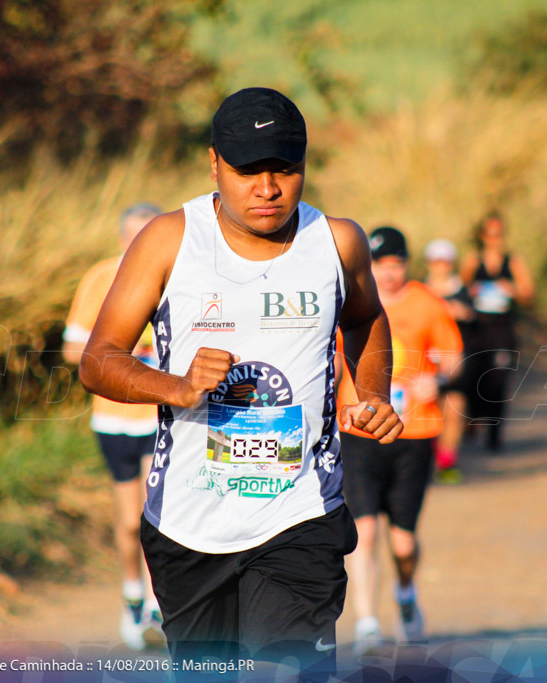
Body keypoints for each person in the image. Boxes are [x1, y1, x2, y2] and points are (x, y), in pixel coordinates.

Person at [78, 87, 402, 680]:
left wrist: (373, 391)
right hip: (187, 522)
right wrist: (175, 387)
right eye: (248, 171)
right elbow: (98, 361)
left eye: (285, 169)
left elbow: (365, 317)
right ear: (214, 164)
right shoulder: (170, 240)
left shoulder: (336, 242)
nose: (268, 188)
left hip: (300, 513)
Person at [337, 227, 462, 655]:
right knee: (364, 530)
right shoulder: (349, 301)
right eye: (379, 265)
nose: (387, 274)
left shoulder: (427, 303)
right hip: (358, 431)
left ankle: (406, 595)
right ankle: (368, 622)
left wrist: (438, 380)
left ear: (406, 265)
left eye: (395, 264)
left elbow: (453, 356)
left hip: (415, 433)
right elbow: (332, 361)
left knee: (403, 542)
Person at [63, 202, 164, 650]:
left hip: (164, 417)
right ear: (122, 239)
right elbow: (71, 350)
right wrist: (122, 357)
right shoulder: (100, 278)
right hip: (114, 418)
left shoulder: (180, 274)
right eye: (134, 237)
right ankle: (132, 597)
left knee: (156, 515)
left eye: (151, 237)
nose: (141, 245)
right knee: (128, 520)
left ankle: (161, 607)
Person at [459, 212, 534, 453]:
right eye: (490, 234)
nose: (494, 239)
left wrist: (512, 290)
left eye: (498, 234)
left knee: (498, 380)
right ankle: (472, 421)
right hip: (476, 331)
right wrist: (472, 290)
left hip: (502, 331)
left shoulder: (513, 261)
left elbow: (528, 293)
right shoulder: (473, 260)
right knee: (472, 377)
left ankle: (494, 434)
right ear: (482, 236)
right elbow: (460, 289)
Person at [424, 238, 475, 479]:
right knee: (427, 407)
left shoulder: (464, 290)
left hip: (454, 359)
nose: (440, 266)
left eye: (445, 261)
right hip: (424, 361)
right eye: (436, 261)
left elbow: (476, 317)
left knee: (455, 407)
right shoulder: (419, 290)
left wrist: (462, 312)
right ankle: (429, 456)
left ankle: (447, 461)